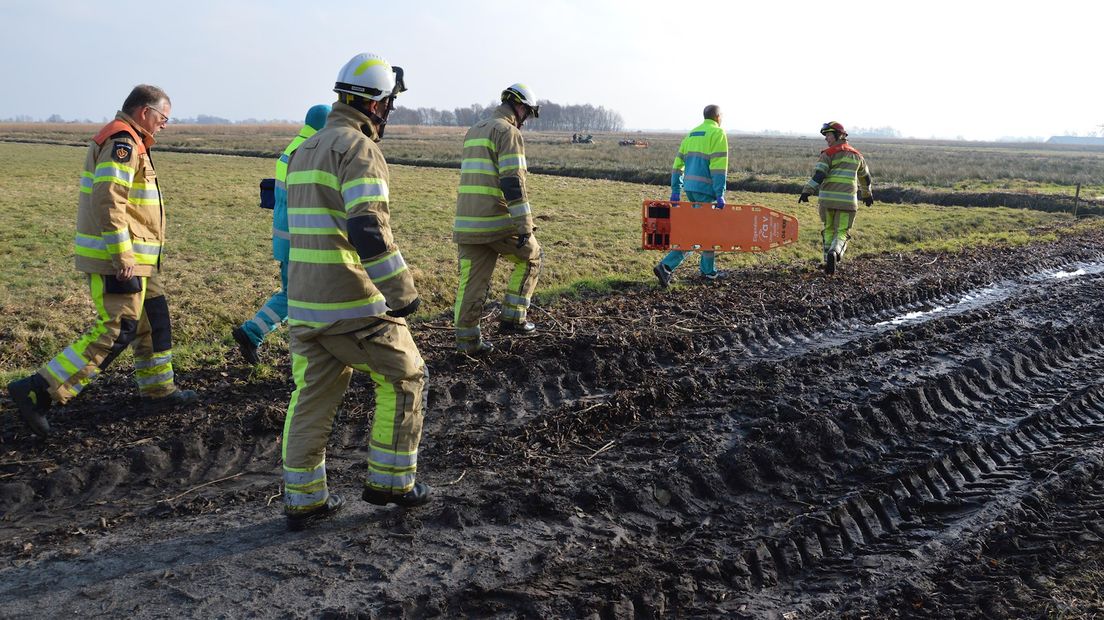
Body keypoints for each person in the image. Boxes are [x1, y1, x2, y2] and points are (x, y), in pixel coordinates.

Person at [280, 52, 430, 531]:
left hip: (304, 303)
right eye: (389, 103)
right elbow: (368, 229)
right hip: (351, 302)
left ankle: (304, 499)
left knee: (314, 397)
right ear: (377, 103)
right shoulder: (358, 149)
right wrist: (402, 292)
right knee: (407, 374)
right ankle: (392, 482)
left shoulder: (306, 148)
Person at [6, 85, 197, 439]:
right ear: (144, 112)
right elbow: (109, 199)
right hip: (120, 259)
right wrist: (121, 253)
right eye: (164, 117)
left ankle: (158, 391)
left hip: (141, 260)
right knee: (117, 328)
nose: (165, 125)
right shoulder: (122, 141)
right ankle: (38, 390)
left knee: (154, 320)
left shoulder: (133, 140)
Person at [231, 104, 331, 365]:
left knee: (292, 293)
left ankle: (253, 332)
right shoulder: (309, 150)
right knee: (304, 295)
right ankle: (309, 352)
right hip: (301, 239)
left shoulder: (294, 146)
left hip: (287, 238)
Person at [452, 83, 542, 355]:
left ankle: (467, 342)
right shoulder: (508, 132)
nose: (526, 118)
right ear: (521, 106)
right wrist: (525, 225)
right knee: (532, 256)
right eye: (528, 112)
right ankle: (514, 318)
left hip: (467, 222)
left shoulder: (474, 130)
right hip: (495, 221)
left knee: (471, 283)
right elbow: (513, 182)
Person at [653, 105, 729, 288]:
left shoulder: (692, 134)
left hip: (690, 189)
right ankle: (667, 266)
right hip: (707, 190)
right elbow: (719, 167)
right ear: (718, 117)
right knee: (700, 232)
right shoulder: (717, 134)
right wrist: (720, 194)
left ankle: (708, 271)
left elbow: (677, 164)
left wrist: (676, 190)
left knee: (705, 230)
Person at [798, 121, 874, 274]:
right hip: (847, 203)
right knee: (841, 232)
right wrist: (867, 194)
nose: (826, 138)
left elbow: (820, 174)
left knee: (828, 229)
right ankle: (835, 252)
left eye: (828, 135)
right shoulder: (857, 156)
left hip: (827, 201)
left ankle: (827, 262)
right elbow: (865, 178)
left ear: (839, 135)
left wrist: (807, 191)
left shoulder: (828, 154)